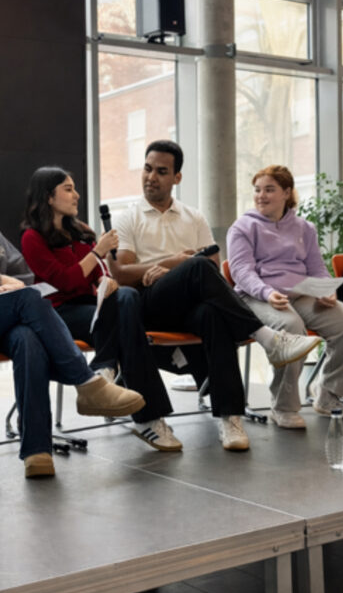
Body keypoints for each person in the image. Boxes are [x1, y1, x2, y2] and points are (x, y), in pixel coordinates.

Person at [0, 151, 146, 478]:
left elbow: (24, 276)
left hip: (1, 316)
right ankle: (87, 382)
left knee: (27, 338)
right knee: (28, 301)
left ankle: (37, 451)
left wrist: (8, 286)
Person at [110, 140, 321, 451]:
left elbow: (211, 267)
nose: (151, 177)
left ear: (177, 177)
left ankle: (230, 417)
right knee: (194, 267)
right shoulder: (128, 217)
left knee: (213, 314)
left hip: (188, 304)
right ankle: (267, 338)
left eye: (161, 171)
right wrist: (173, 264)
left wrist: (180, 271)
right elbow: (122, 273)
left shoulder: (193, 217)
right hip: (149, 303)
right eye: (147, 169)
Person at [20, 166, 181, 451]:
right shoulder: (32, 238)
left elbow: (98, 274)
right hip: (59, 313)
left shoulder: (82, 232)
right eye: (68, 189)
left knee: (127, 297)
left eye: (74, 188)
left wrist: (105, 281)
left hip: (92, 308)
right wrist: (97, 252)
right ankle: (150, 419)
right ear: (48, 197)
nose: (76, 195)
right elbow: (64, 281)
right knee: (128, 330)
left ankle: (104, 367)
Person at [227, 165, 343, 428]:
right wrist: (267, 293)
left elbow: (316, 268)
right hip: (257, 297)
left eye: (269, 189)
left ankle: (328, 394)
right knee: (291, 326)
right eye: (257, 190)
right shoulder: (242, 227)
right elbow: (241, 272)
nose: (261, 196)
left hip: (301, 294)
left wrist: (326, 289)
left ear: (286, 192)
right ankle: (284, 407)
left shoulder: (304, 228)